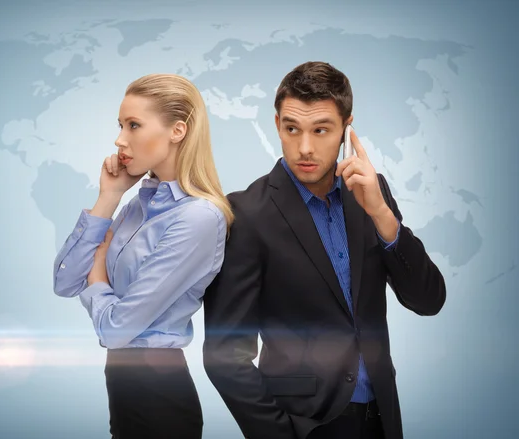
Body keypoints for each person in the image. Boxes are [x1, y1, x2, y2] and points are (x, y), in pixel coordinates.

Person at [202, 61, 446, 439]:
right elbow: (224, 356)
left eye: (321, 130)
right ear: (277, 123)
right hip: (304, 423)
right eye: (291, 128)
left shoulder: (371, 193)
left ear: (348, 128)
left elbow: (428, 300)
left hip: (382, 417)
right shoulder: (246, 214)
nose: (304, 148)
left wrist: (382, 213)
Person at [53, 73, 232, 439]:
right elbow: (65, 280)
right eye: (120, 125)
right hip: (122, 387)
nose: (120, 139)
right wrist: (108, 198)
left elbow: (116, 330)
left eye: (134, 125)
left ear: (177, 131)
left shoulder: (198, 218)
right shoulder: (137, 205)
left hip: (159, 396)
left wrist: (99, 277)